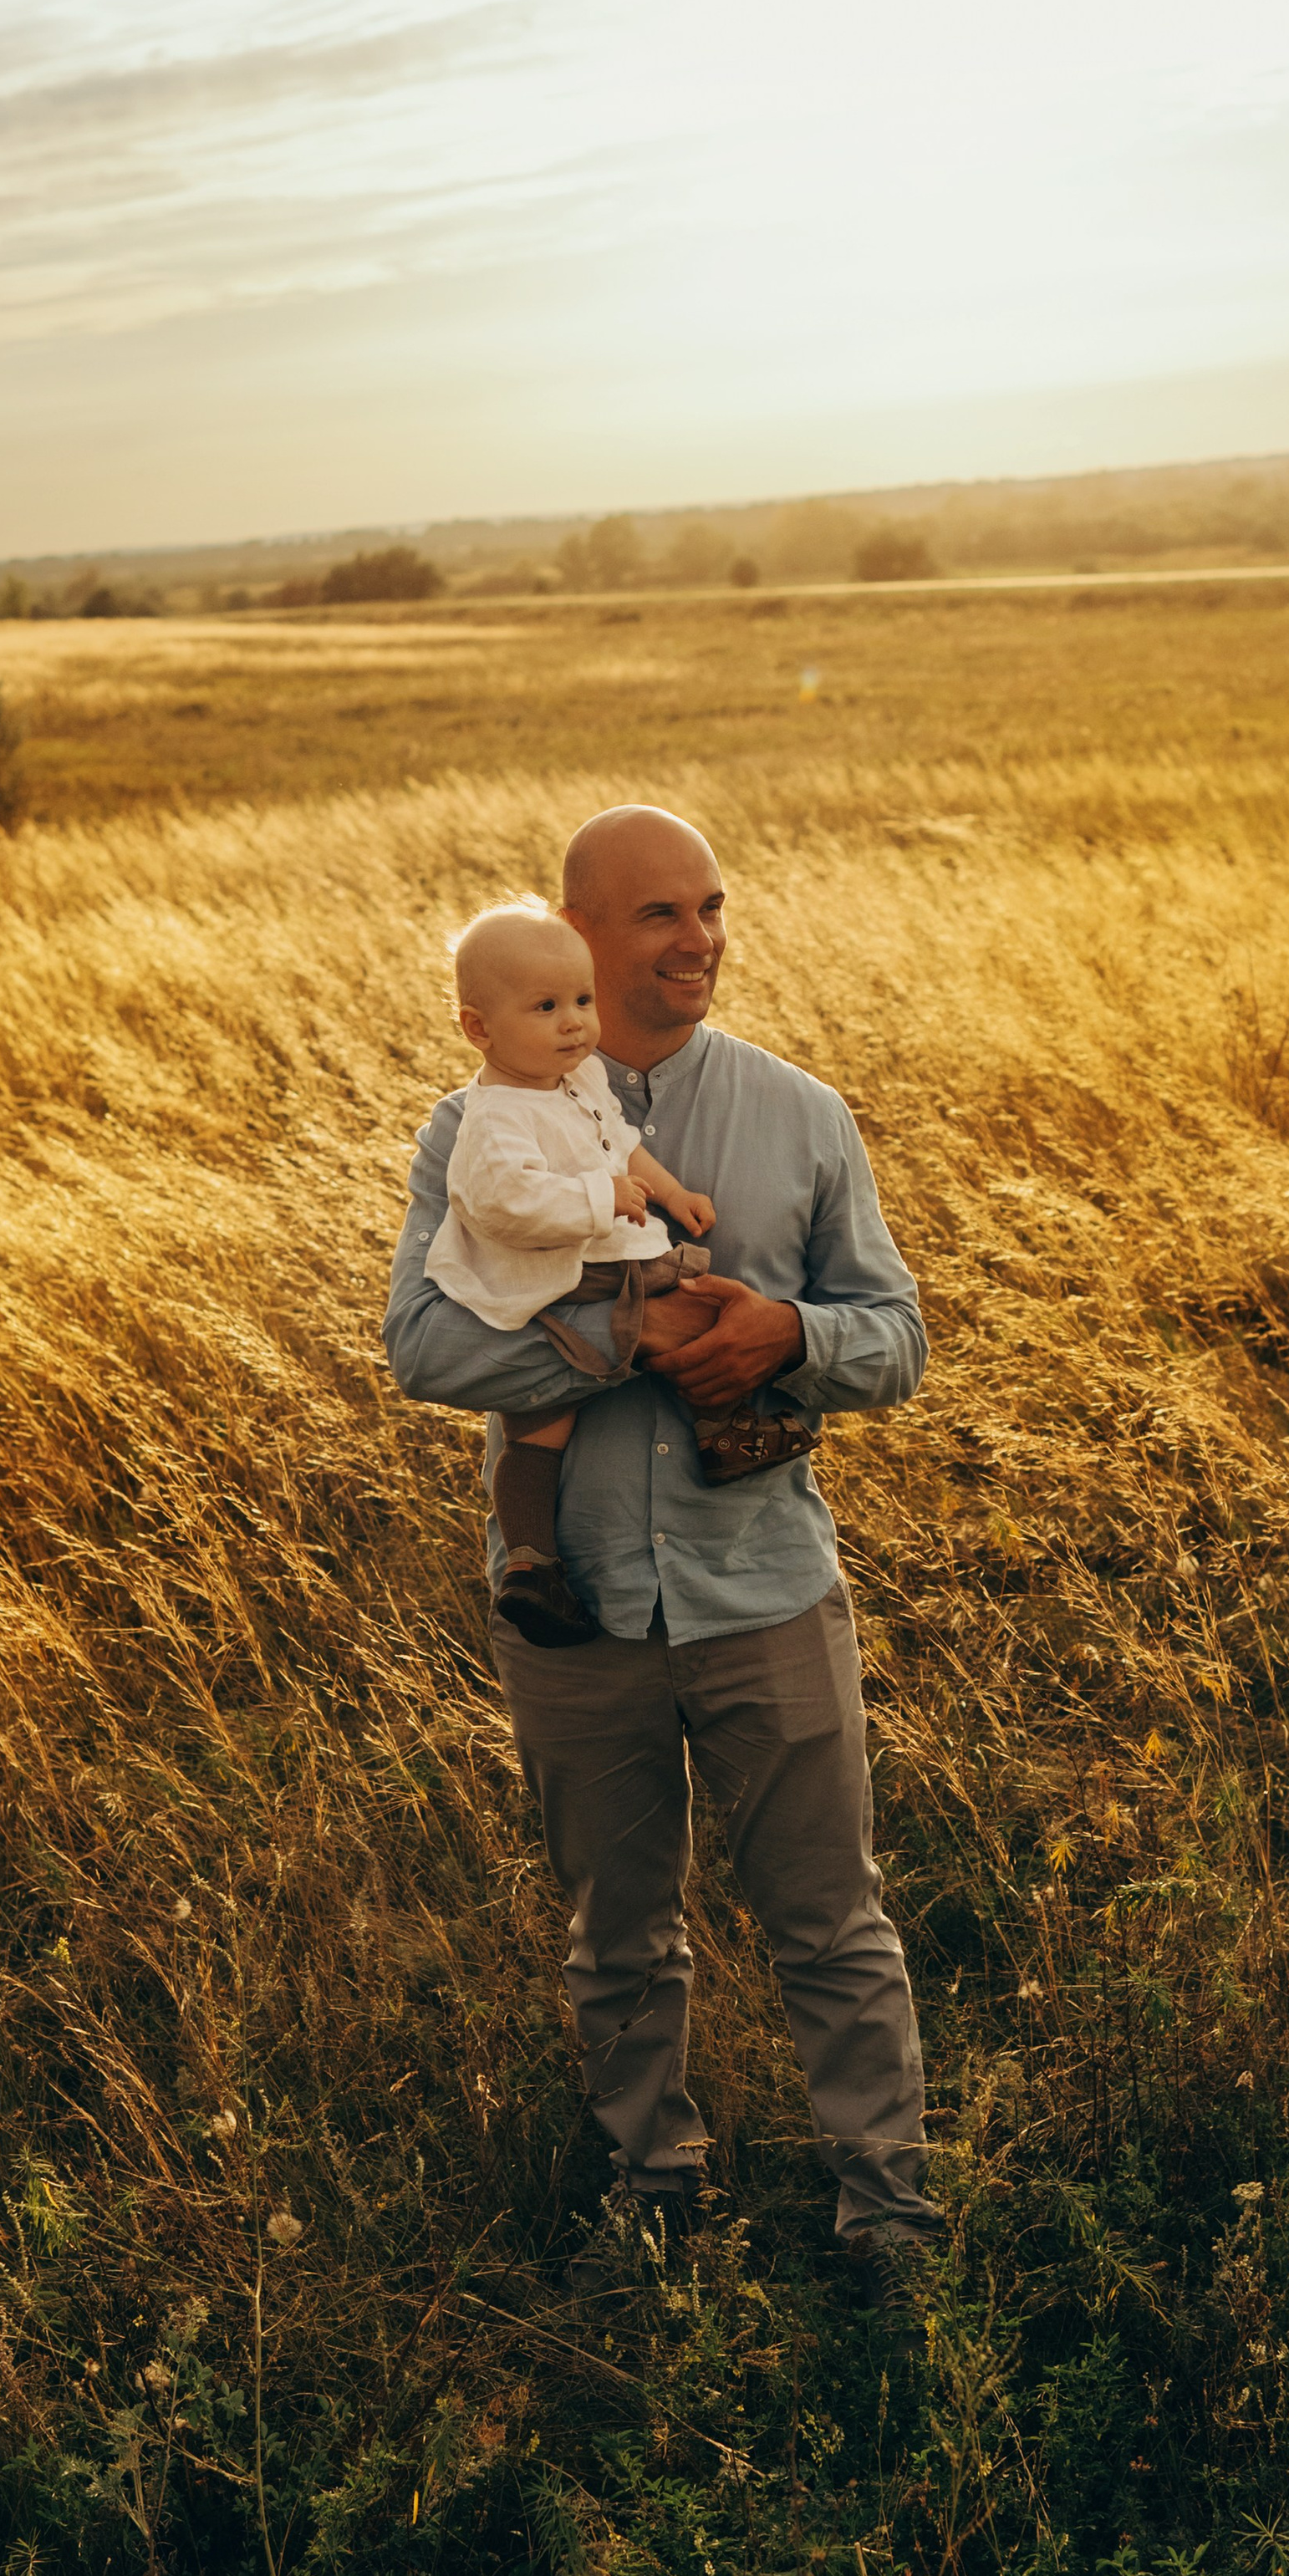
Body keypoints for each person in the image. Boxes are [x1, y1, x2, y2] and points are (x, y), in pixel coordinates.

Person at [383, 803, 940, 2301]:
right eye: (657, 917)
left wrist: (788, 1338)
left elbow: (897, 1343)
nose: (697, 942)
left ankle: (886, 2215)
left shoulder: (799, 1115)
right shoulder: (472, 1129)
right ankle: (656, 2201)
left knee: (831, 1914)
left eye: (710, 908)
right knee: (615, 1931)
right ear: (572, 932)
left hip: (765, 1586)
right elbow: (422, 1345)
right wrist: (622, 1347)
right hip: (574, 1613)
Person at [425, 897, 819, 1651]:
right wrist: (599, 1197)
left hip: (603, 1260)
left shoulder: (576, 1081)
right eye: (546, 1007)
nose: (574, 1022)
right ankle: (542, 1554)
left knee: (547, 1423)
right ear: (480, 1028)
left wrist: (668, 1192)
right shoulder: (495, 1116)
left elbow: (621, 1145)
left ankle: (544, 1561)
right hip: (569, 1276)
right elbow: (507, 1205)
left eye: (582, 1000)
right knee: (683, 1327)